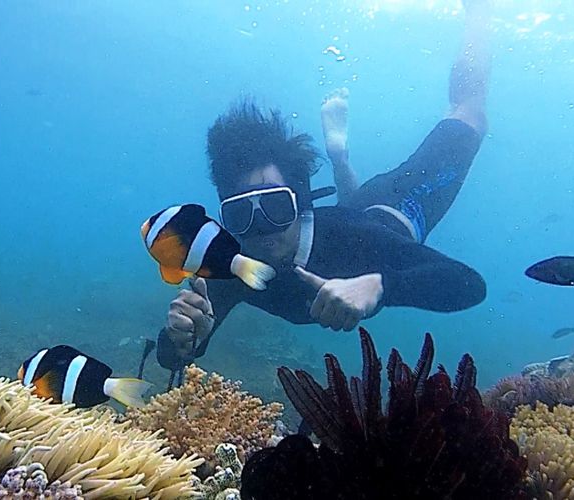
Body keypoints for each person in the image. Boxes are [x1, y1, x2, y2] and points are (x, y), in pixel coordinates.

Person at [156, 0, 492, 376]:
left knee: (470, 111)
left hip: (401, 203)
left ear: (300, 201)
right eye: (241, 215)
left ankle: (479, 11)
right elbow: (173, 357)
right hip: (354, 210)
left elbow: (468, 285)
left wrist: (379, 286)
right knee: (352, 204)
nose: (262, 229)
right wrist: (182, 334)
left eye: (275, 207)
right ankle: (340, 156)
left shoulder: (356, 240)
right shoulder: (235, 267)